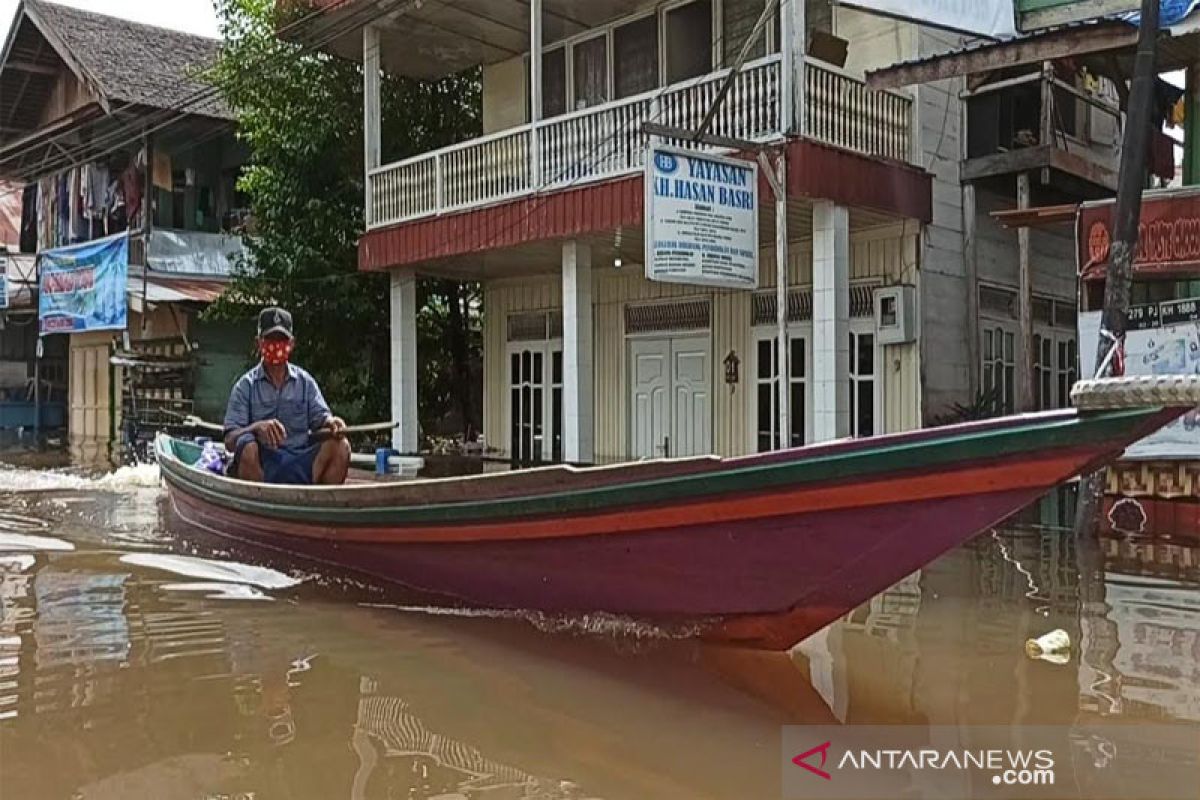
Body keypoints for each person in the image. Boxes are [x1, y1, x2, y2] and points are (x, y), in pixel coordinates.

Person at [223, 307, 351, 485]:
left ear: (291, 344)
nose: (276, 345)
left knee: (340, 445)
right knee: (246, 445)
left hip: (301, 461)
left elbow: (321, 418)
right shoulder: (245, 386)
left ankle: (319, 506)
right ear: (259, 343)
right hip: (263, 466)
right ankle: (257, 505)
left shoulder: (305, 383)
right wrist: (256, 428)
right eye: (270, 340)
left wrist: (332, 422)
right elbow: (229, 440)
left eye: (281, 340)